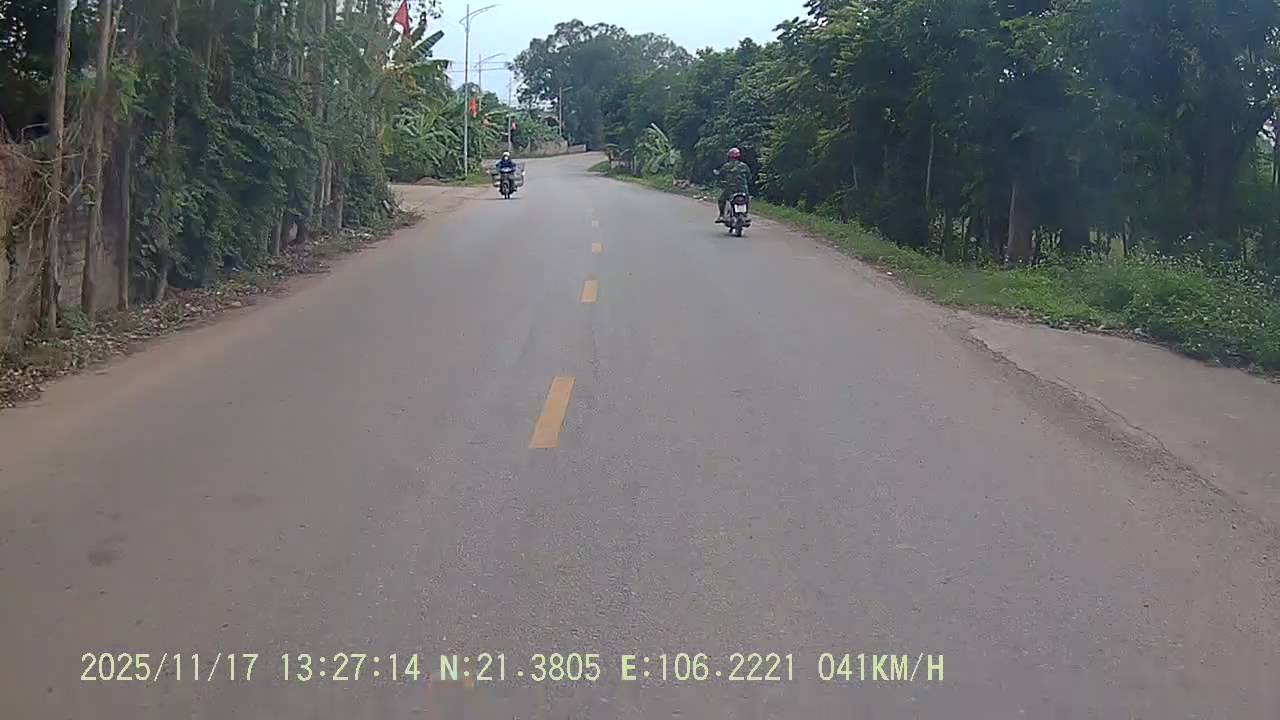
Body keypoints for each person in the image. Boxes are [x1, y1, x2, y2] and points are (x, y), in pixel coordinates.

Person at [716, 147, 751, 223]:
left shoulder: (726, 166)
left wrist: (721, 182)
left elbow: (720, 176)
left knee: (721, 200)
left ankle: (721, 215)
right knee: (746, 200)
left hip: (730, 189)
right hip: (743, 189)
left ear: (729, 156)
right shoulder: (744, 166)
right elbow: (749, 177)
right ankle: (745, 214)